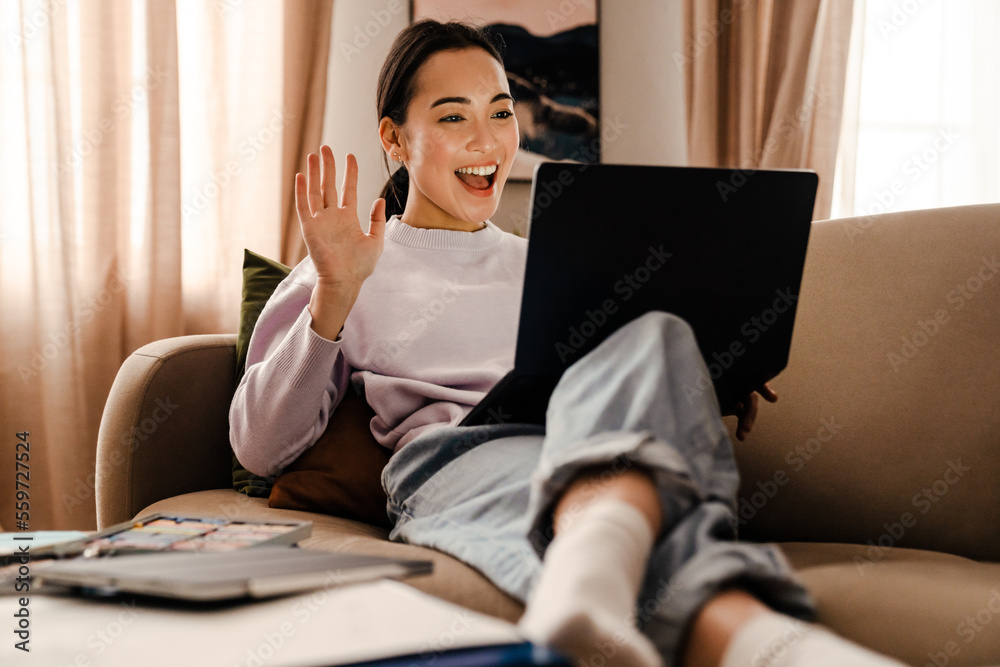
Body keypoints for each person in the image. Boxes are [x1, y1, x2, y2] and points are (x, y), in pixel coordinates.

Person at [230, 20, 905, 667]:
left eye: (500, 112)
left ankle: (584, 600)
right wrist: (333, 297)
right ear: (396, 139)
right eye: (453, 116)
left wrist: (712, 372)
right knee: (667, 538)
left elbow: (614, 379)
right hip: (461, 458)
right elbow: (260, 445)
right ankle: (733, 630)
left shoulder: (551, 258)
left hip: (580, 436)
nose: (488, 140)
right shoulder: (349, 262)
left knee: (663, 332)